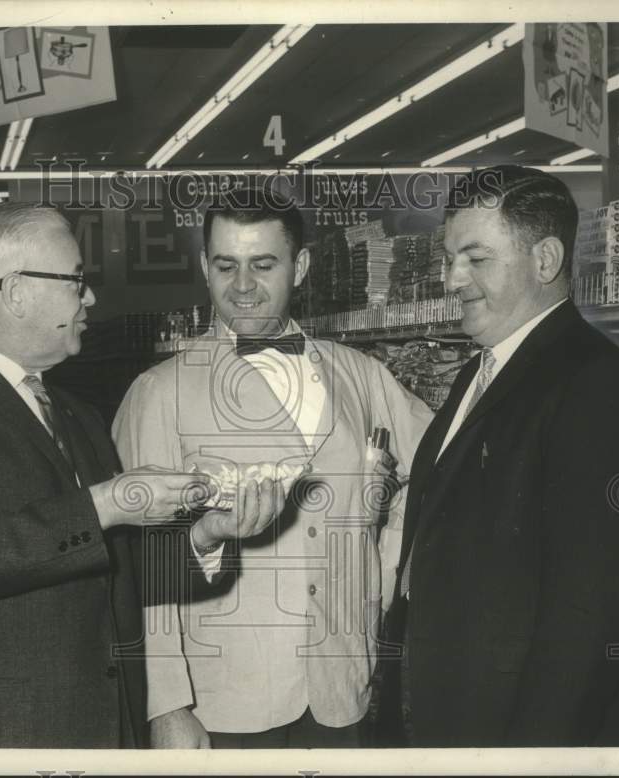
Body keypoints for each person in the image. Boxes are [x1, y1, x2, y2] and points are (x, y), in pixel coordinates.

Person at [0, 203, 214, 748]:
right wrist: (107, 503)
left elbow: (113, 570)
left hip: (96, 732)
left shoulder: (78, 413)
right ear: (17, 292)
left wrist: (209, 537)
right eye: (77, 280)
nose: (90, 296)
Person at [113, 188, 433, 748]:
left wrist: (379, 578)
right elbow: (138, 561)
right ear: (204, 267)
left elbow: (432, 467)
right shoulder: (158, 394)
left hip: (342, 686)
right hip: (225, 699)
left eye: (263, 265)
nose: (242, 287)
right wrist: (166, 705)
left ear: (300, 266)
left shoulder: (360, 376)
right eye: (225, 265)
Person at [391, 165, 619, 746]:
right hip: (463, 715)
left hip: (523, 736)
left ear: (545, 261)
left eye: (476, 258)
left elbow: (591, 614)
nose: (451, 279)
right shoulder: (481, 368)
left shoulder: (598, 385)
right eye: (448, 258)